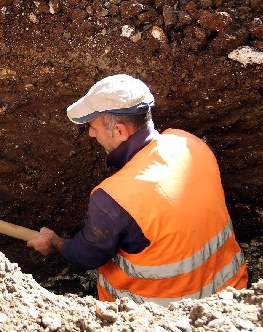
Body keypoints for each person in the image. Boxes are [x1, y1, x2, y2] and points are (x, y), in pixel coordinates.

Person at [27, 74, 248, 305]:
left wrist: (53, 242)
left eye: (93, 127)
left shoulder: (115, 198)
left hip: (161, 317)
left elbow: (86, 254)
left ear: (121, 131)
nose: (91, 134)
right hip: (230, 299)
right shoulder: (189, 143)